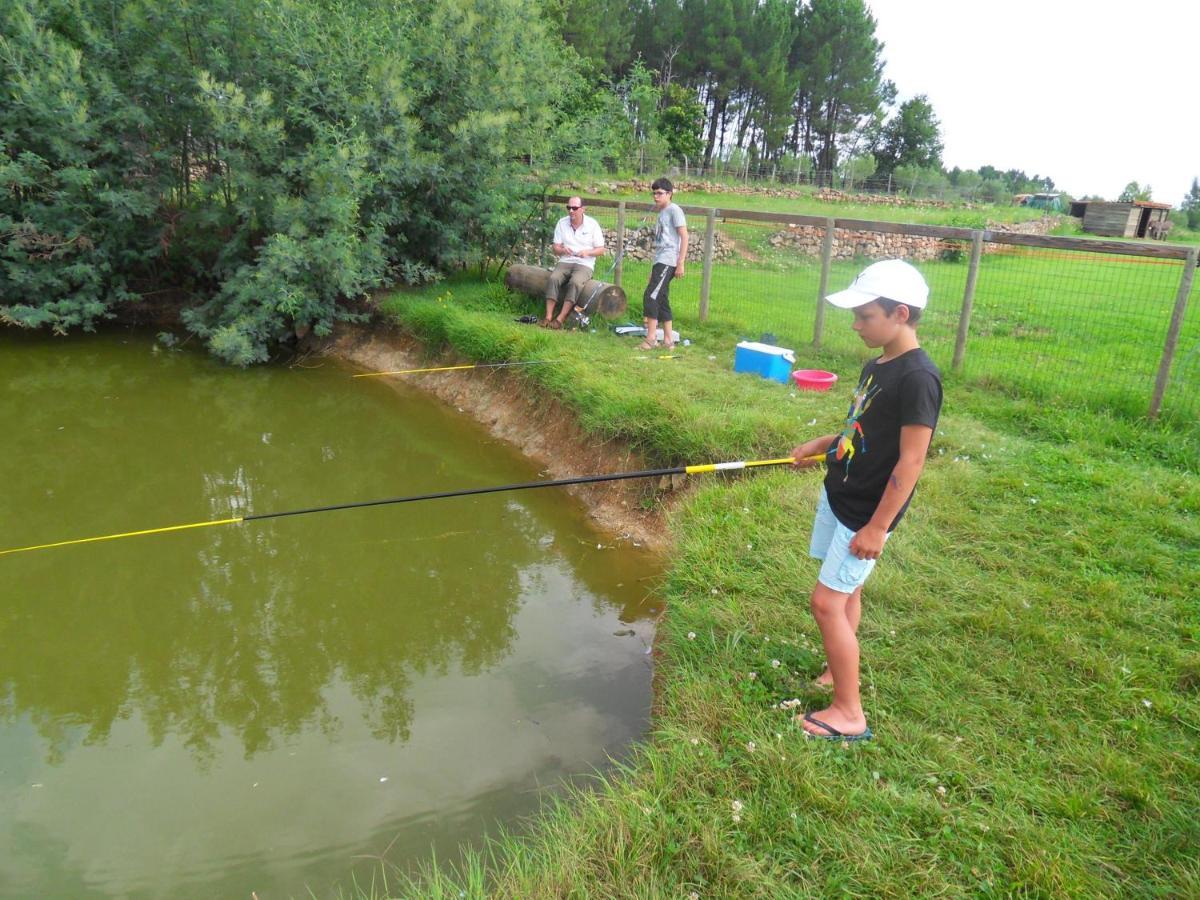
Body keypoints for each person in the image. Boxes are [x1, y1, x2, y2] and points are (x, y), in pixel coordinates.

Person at [790, 259, 943, 742]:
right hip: (842, 494)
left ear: (900, 313)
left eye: (865, 316)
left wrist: (878, 527)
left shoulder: (919, 378)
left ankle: (849, 713)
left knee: (825, 603)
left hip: (866, 514)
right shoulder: (877, 363)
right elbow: (865, 428)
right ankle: (839, 670)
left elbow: (910, 462)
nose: (856, 325)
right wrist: (825, 443)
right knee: (846, 594)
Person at [637, 178, 688, 350]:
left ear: (669, 194)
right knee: (661, 298)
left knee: (650, 296)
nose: (656, 197)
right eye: (654, 193)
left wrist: (680, 263)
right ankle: (668, 340)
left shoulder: (675, 210)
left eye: (660, 193)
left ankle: (651, 338)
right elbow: (660, 243)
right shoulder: (661, 214)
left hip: (669, 259)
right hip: (660, 260)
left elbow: (684, 236)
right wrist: (654, 267)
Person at [543, 196, 605, 329]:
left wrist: (587, 252)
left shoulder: (593, 224)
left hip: (585, 264)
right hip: (566, 260)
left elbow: (601, 250)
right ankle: (548, 317)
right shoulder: (561, 223)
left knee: (575, 283)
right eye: (568, 208)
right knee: (553, 278)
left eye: (574, 208)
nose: (571, 211)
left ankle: (560, 318)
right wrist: (562, 249)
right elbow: (555, 248)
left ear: (583, 209)